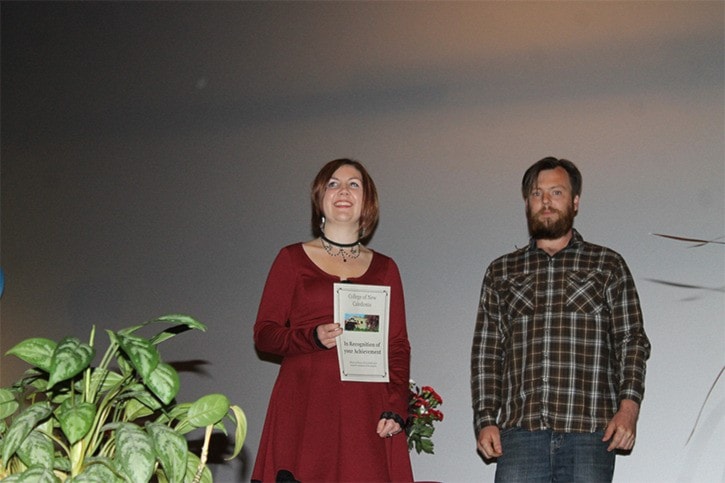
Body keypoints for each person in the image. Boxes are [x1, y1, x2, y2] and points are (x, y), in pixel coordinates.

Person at [471, 157, 651, 482]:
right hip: (520, 434)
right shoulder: (501, 272)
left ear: (575, 201)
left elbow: (632, 341)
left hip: (590, 434)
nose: (546, 202)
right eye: (538, 194)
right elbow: (486, 353)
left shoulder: (607, 265)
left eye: (556, 192)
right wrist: (485, 419)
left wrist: (629, 410)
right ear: (528, 203)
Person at [252, 158, 414, 483]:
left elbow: (396, 344)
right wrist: (310, 337)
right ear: (320, 198)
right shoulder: (291, 259)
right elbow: (265, 335)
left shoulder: (385, 268)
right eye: (333, 183)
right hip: (306, 404)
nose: (343, 190)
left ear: (367, 202)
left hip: (365, 409)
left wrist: (396, 404)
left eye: (354, 184)